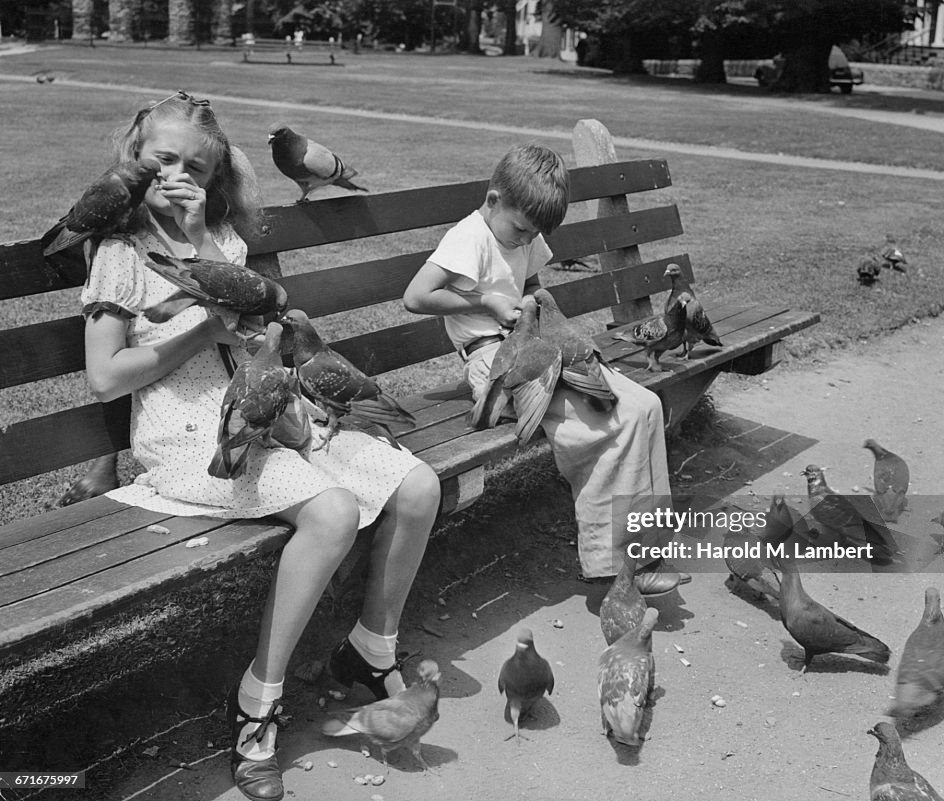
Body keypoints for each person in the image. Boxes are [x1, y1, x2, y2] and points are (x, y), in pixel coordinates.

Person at [80, 91, 440, 801]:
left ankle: (369, 650)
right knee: (333, 511)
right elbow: (102, 379)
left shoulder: (226, 244)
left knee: (418, 486)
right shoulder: (119, 252)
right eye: (165, 160)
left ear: (216, 179)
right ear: (136, 160)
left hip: (273, 416)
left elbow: (258, 335)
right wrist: (198, 333)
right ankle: (256, 703)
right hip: (186, 438)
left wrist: (207, 249)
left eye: (197, 168)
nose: (178, 175)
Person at [403, 143, 684, 595]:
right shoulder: (469, 236)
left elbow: (530, 281)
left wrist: (532, 301)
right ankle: (614, 566)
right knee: (601, 429)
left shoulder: (523, 232)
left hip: (538, 345)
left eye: (532, 234)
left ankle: (646, 551)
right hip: (496, 362)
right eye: (520, 230)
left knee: (644, 406)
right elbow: (416, 297)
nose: (523, 240)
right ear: (494, 200)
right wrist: (485, 302)